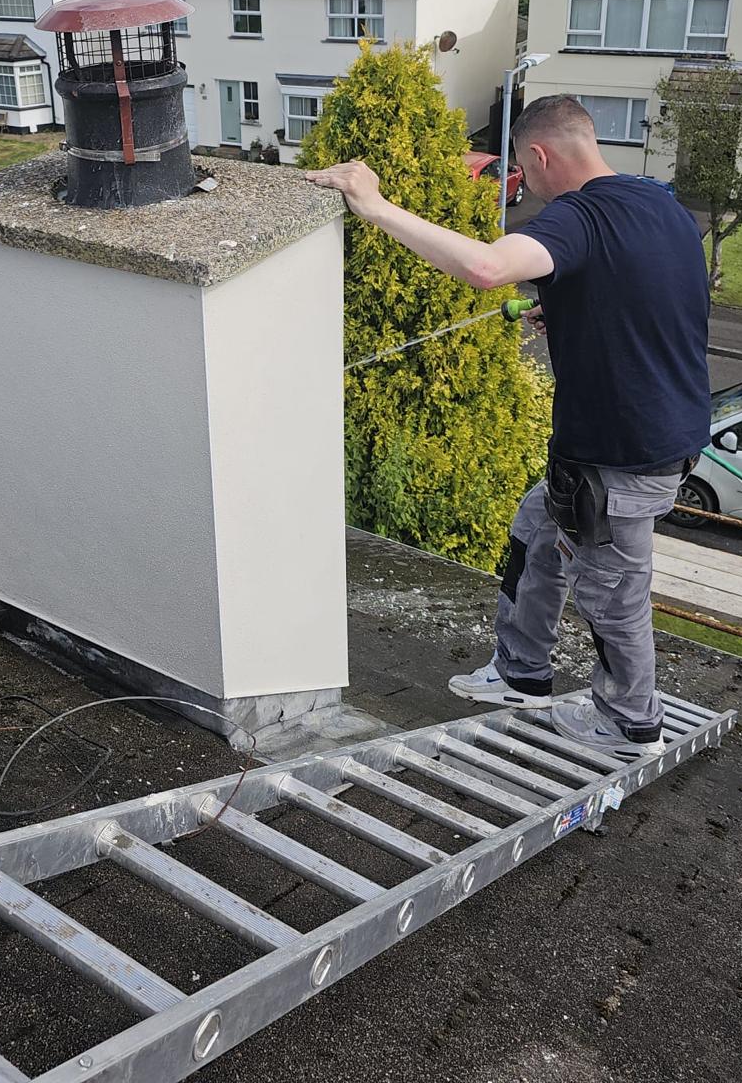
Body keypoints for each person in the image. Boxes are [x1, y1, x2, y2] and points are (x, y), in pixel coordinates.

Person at [304, 93, 711, 755]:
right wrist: (578, 308)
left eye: (524, 167)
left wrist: (373, 205)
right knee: (534, 530)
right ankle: (523, 674)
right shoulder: (657, 202)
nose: (529, 183)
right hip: (637, 441)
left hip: (622, 456)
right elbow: (653, 281)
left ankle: (630, 723)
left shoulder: (575, 218)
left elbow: (488, 267)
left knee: (612, 594)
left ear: (541, 155)